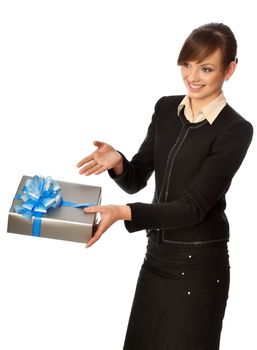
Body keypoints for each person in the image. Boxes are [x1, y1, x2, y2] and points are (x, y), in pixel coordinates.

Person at [77, 23, 253, 350]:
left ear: (230, 70)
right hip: (156, 258)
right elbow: (136, 179)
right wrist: (118, 162)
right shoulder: (165, 109)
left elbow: (193, 207)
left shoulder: (236, 129)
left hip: (199, 267)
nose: (192, 76)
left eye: (206, 68)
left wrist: (122, 213)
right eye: (186, 64)